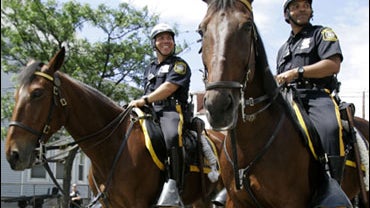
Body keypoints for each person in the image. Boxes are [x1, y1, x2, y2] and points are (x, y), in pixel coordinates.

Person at [276, 0, 352, 207]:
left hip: (316, 95)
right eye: (296, 6)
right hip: (288, 99)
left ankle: (332, 188)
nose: (302, 9)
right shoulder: (283, 49)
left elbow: (333, 65)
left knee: (330, 127)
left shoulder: (322, 34)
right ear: (286, 14)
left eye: (305, 5)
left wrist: (297, 72)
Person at [129, 23, 191, 207]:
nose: (166, 41)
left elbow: (169, 88)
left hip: (171, 111)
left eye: (169, 38)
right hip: (150, 111)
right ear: (154, 43)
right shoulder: (149, 68)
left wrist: (145, 100)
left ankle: (174, 188)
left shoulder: (179, 65)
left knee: (172, 137)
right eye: (161, 38)